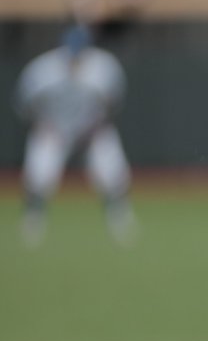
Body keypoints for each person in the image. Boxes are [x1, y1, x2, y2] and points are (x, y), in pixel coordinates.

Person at [13, 23, 136, 247]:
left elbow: (113, 103)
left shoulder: (103, 67)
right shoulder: (43, 71)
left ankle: (120, 218)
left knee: (111, 168)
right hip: (56, 130)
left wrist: (98, 126)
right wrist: (43, 125)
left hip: (91, 130)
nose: (75, 59)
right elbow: (24, 105)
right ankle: (33, 219)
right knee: (40, 171)